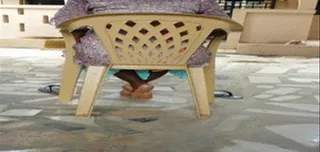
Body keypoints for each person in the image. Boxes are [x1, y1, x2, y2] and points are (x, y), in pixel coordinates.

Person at [39, 0, 229, 99]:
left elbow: (64, 19)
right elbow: (223, 23)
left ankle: (136, 83)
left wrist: (81, 34)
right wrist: (198, 34)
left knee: (88, 50)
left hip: (109, 48)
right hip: (176, 49)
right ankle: (140, 83)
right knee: (180, 51)